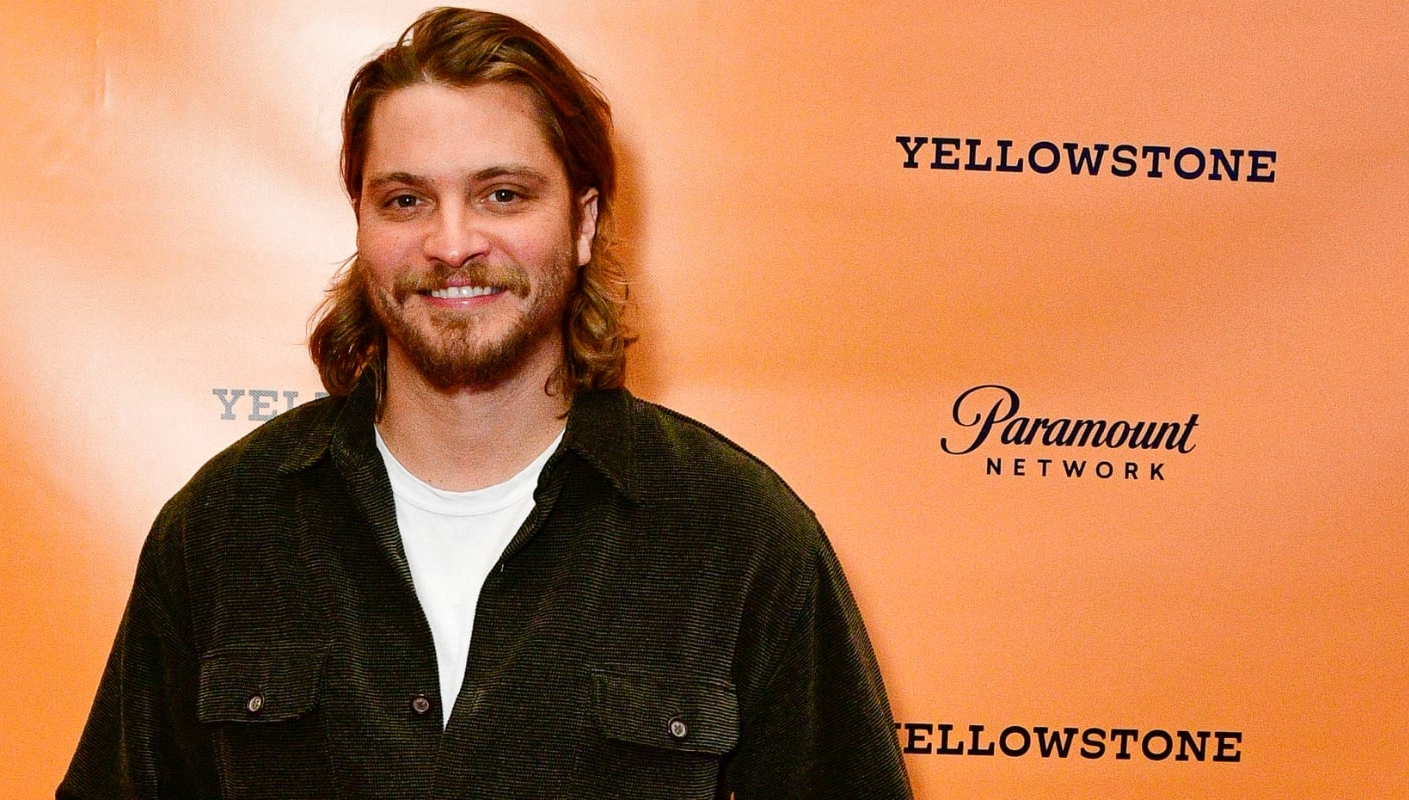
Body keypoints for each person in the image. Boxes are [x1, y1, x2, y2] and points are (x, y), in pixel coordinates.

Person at [59, 7, 910, 798]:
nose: (453, 242)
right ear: (360, 223)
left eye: (503, 194)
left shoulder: (739, 535)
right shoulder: (223, 529)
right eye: (406, 200)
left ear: (581, 225)